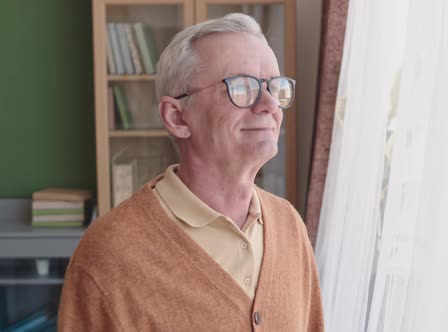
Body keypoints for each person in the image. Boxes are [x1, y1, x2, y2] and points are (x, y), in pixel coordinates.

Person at [58, 13, 324, 331]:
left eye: (275, 87)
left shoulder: (289, 224)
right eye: (241, 87)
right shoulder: (108, 257)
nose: (269, 104)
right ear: (178, 117)